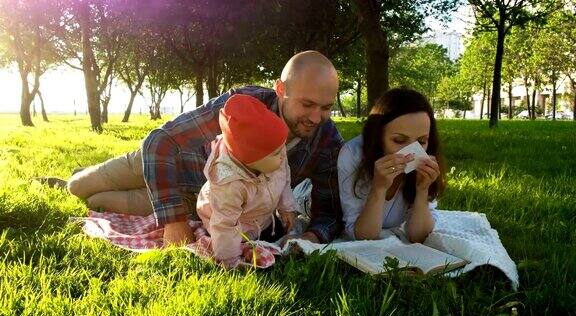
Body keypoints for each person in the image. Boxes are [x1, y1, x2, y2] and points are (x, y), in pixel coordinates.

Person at [66, 50, 344, 245]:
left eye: (327, 107)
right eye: (307, 104)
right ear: (281, 90)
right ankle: (79, 175)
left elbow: (330, 212)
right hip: (161, 163)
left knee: (96, 201)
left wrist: (310, 238)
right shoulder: (244, 105)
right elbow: (159, 142)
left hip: (195, 201)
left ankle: (95, 185)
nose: (316, 118)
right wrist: (174, 223)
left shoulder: (327, 140)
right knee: (77, 187)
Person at [195, 94, 297, 267]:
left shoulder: (276, 153)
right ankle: (234, 252)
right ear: (250, 160)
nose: (283, 155)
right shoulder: (229, 184)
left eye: (283, 147)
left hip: (260, 216)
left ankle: (264, 237)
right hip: (229, 224)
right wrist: (230, 261)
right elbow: (225, 224)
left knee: (283, 241)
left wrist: (286, 207)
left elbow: (283, 179)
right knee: (233, 244)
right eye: (276, 153)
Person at [337, 87, 446, 243]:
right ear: (378, 137)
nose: (411, 152)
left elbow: (418, 236)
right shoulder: (352, 154)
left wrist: (422, 191)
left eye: (421, 141)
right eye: (399, 141)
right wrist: (378, 189)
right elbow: (363, 236)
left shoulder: (426, 162)